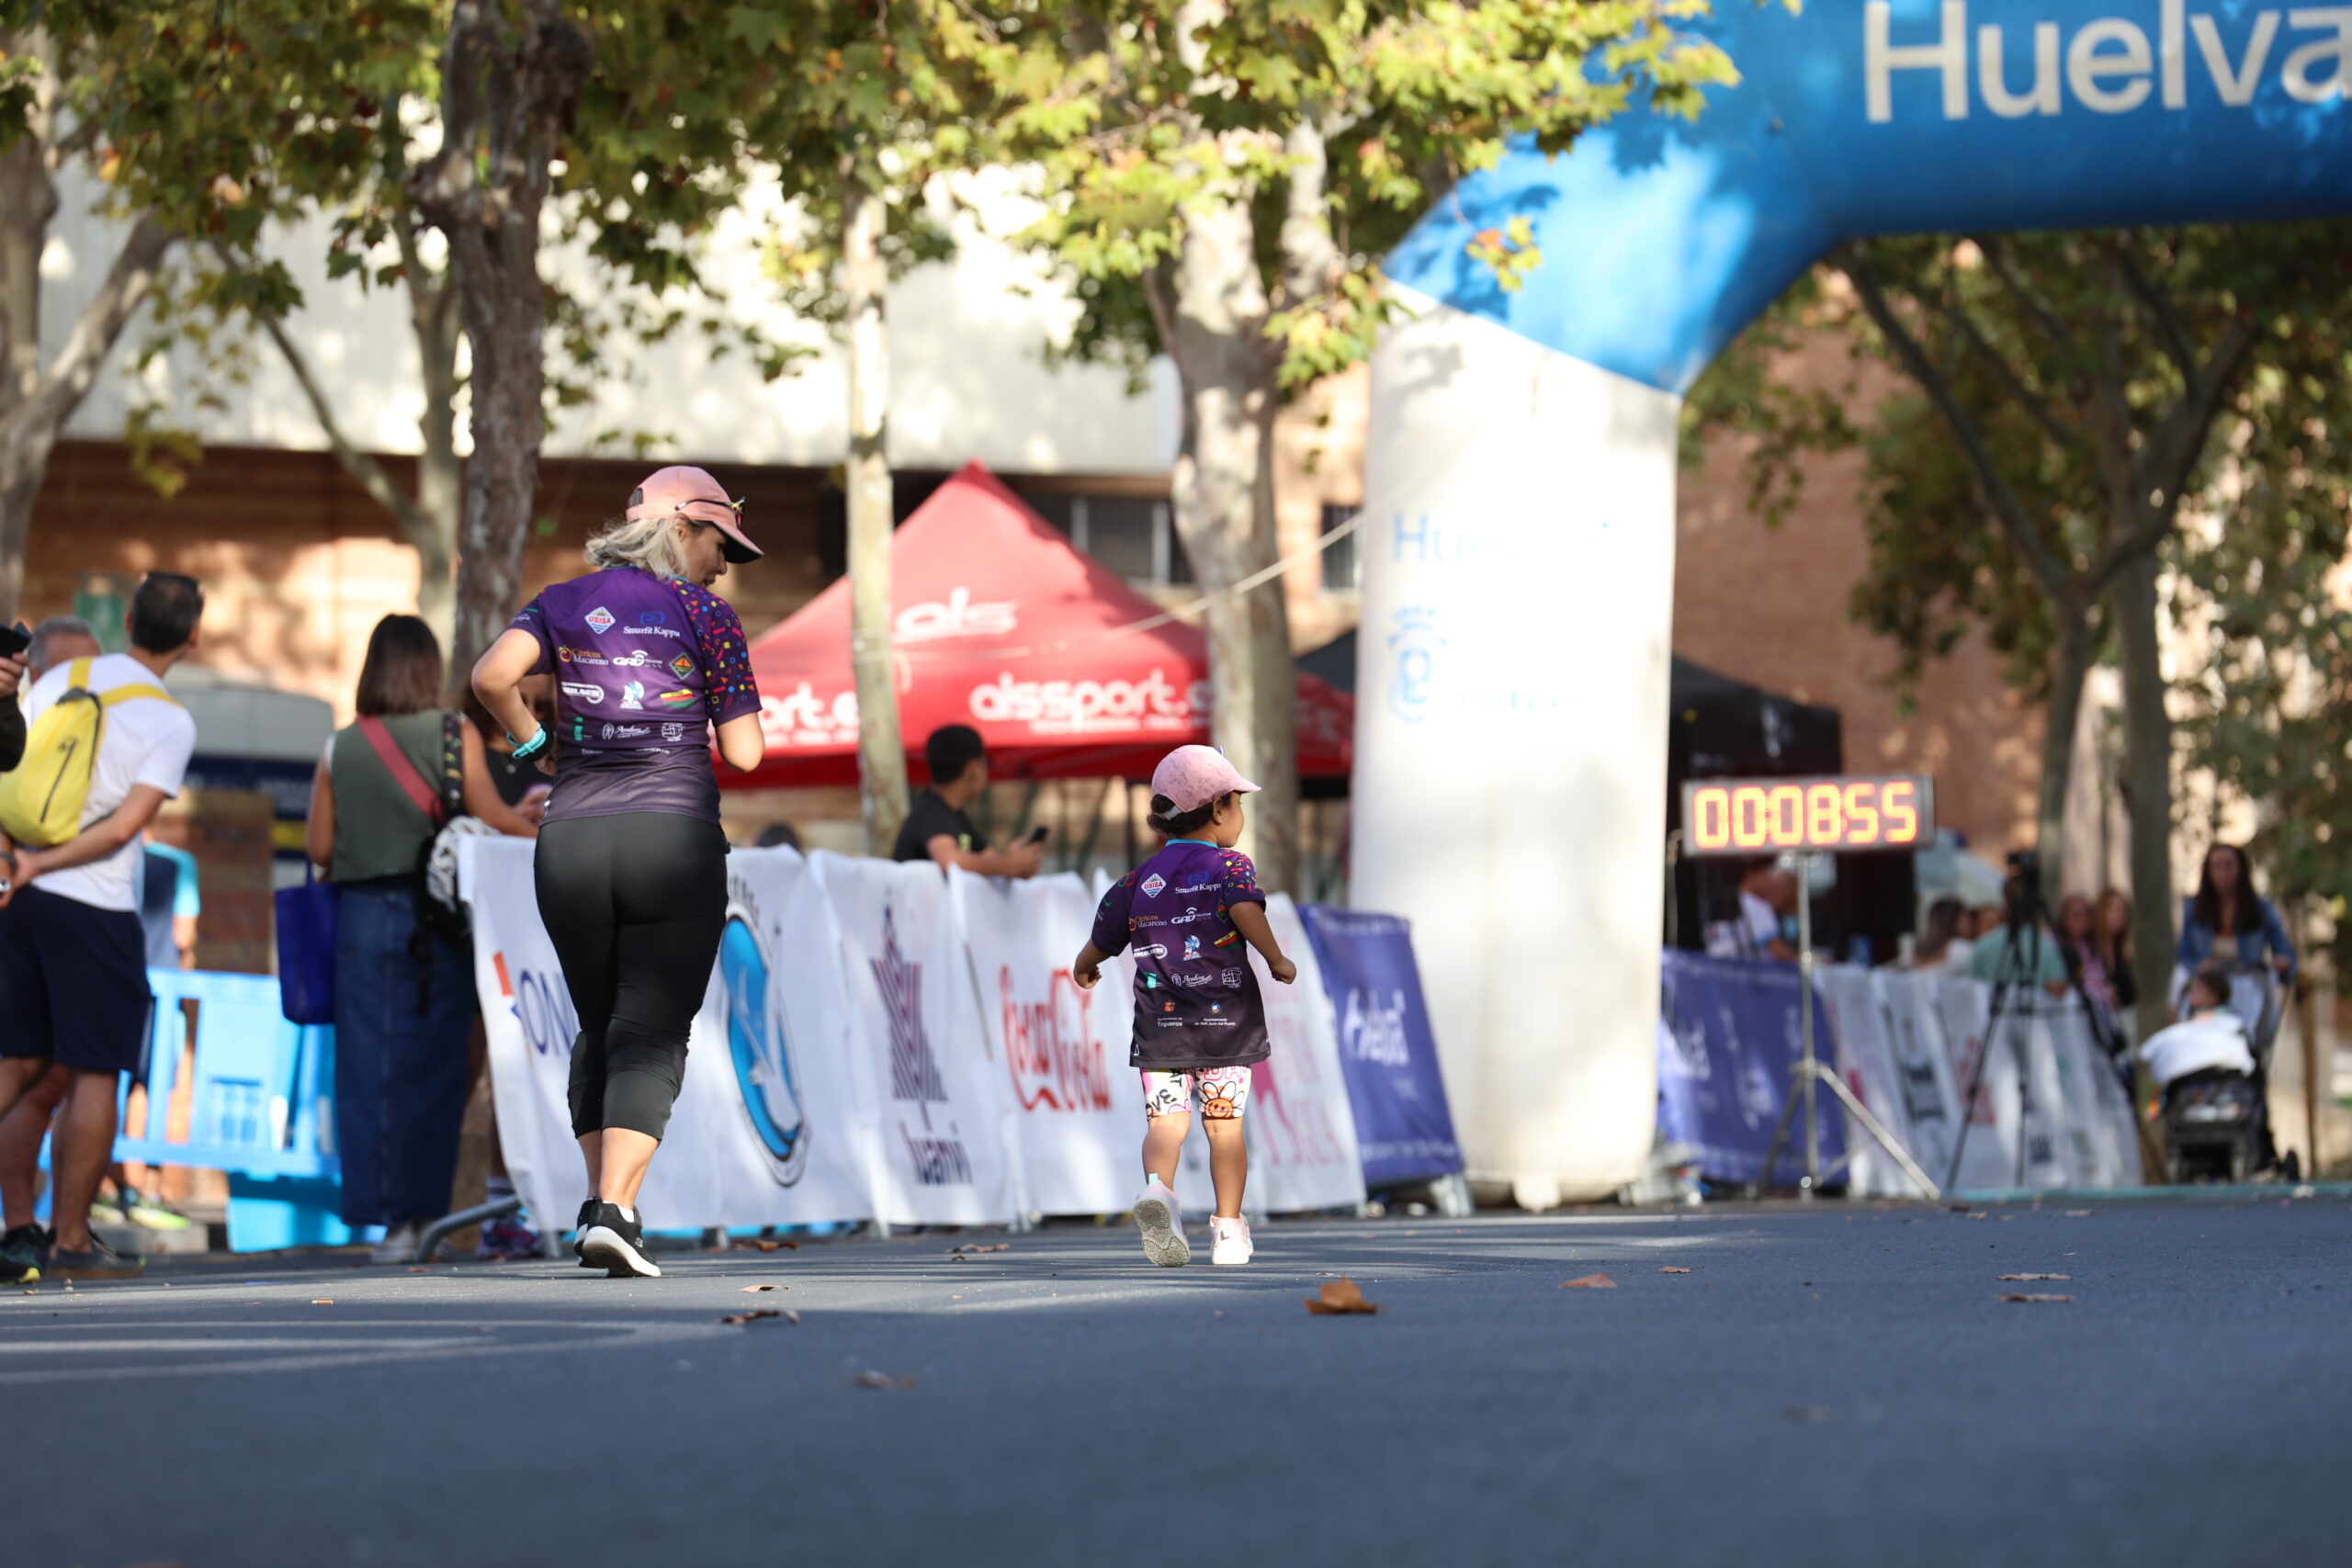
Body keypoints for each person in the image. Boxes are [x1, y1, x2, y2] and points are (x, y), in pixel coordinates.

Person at [472, 465, 766, 1280]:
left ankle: (600, 1205)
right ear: (680, 528)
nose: (724, 565)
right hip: (671, 839)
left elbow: (490, 678)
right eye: (720, 544)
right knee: (653, 1029)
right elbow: (745, 752)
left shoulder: (560, 601)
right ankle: (615, 1210)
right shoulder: (707, 615)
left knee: (600, 1024)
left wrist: (535, 744)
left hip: (569, 841)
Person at [306, 615, 537, 1264]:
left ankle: (387, 1224)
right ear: (427, 668)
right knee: (436, 1072)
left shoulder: (340, 746)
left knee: (369, 1073)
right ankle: (425, 1216)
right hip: (435, 923)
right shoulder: (454, 732)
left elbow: (319, 848)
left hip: (360, 919)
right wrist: (545, 832)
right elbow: (490, 816)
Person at [0, 572, 202, 1282]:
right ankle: (71, 1240)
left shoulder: (65, 676)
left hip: (22, 901)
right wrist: (45, 862)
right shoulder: (171, 720)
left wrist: (19, 862)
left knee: (17, 1065)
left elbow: (8, 771)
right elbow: (124, 827)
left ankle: (21, 1227)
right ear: (193, 636)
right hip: (96, 908)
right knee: (93, 1071)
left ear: (128, 620)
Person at [1070, 745, 1297, 1269]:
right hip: (1226, 1027)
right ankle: (1229, 1231)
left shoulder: (1137, 881)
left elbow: (1103, 938)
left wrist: (1084, 965)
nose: (1239, 815)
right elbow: (1245, 910)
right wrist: (1276, 958)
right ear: (1218, 809)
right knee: (1225, 1128)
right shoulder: (1231, 866)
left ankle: (1159, 1190)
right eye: (1238, 803)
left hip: (1161, 1028)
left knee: (1166, 1124)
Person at [890, 723, 1045, 877]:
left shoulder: (954, 815)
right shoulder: (932, 810)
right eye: (986, 763)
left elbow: (988, 858)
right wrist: (1009, 864)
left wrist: (1016, 864)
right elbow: (947, 860)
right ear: (973, 767)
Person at [2177, 843, 2296, 990]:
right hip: (2209, 988)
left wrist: (2283, 964)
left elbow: (2284, 952)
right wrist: (2198, 967)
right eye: (2217, 866)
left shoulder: (2262, 908)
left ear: (2241, 868)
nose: (2223, 873)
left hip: (2250, 986)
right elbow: (2184, 955)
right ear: (2208, 871)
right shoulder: (2193, 907)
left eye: (2229, 865)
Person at [2137, 963, 2256, 1091]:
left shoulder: (2227, 1021)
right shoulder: (2190, 1022)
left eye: (2198, 989)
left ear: (2213, 996)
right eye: (2191, 989)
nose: (2191, 993)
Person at [1968, 874, 2070, 997]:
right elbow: (2057, 990)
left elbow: (1971, 989)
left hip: (1994, 1008)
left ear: (2005, 900)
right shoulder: (2048, 947)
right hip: (2034, 1009)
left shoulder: (1984, 944)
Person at [2054, 893, 2116, 1011]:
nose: (2081, 920)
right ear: (2064, 918)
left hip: (2095, 1008)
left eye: (2086, 915)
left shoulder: (2092, 947)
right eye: (2076, 915)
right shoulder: (2053, 943)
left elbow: (2098, 981)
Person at [2093, 888, 2138, 1013]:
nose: (2119, 915)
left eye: (2123, 910)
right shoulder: (2092, 949)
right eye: (2114, 909)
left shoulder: (2121, 949)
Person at [1912, 895, 1973, 976]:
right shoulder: (1961, 949)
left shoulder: (1916, 949)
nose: (1970, 921)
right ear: (1952, 920)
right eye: (1965, 916)